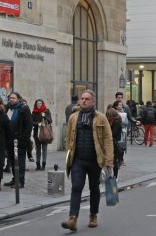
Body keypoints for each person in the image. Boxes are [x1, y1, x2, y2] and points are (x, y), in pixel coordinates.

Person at [62, 90, 113, 231]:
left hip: (95, 160)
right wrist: (68, 157)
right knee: (76, 187)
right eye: (82, 99)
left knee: (94, 188)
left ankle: (93, 215)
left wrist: (109, 161)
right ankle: (73, 218)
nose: (83, 101)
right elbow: (69, 138)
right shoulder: (73, 117)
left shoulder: (101, 118)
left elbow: (108, 139)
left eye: (87, 99)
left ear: (93, 101)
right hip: (78, 159)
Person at [4, 92, 33, 188]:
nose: (11, 99)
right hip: (9, 139)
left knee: (20, 161)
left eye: (13, 98)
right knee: (12, 160)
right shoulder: (7, 108)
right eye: (10, 98)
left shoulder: (24, 109)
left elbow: (29, 124)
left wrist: (24, 138)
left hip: (20, 140)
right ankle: (15, 178)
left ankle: (20, 180)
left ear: (18, 99)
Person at [32, 99, 52, 171]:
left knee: (44, 149)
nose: (39, 105)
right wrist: (38, 124)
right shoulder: (34, 112)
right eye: (37, 104)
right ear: (36, 105)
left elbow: (50, 120)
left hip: (45, 133)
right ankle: (38, 164)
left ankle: (43, 164)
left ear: (42, 104)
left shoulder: (46, 111)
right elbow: (31, 122)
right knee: (38, 149)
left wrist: (45, 117)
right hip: (37, 133)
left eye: (40, 103)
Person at [106, 107, 123, 179]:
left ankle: (115, 176)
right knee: (112, 160)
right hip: (112, 141)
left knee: (114, 160)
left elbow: (114, 133)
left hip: (113, 141)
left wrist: (108, 133)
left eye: (108, 116)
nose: (108, 117)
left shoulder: (117, 120)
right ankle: (110, 176)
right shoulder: (114, 119)